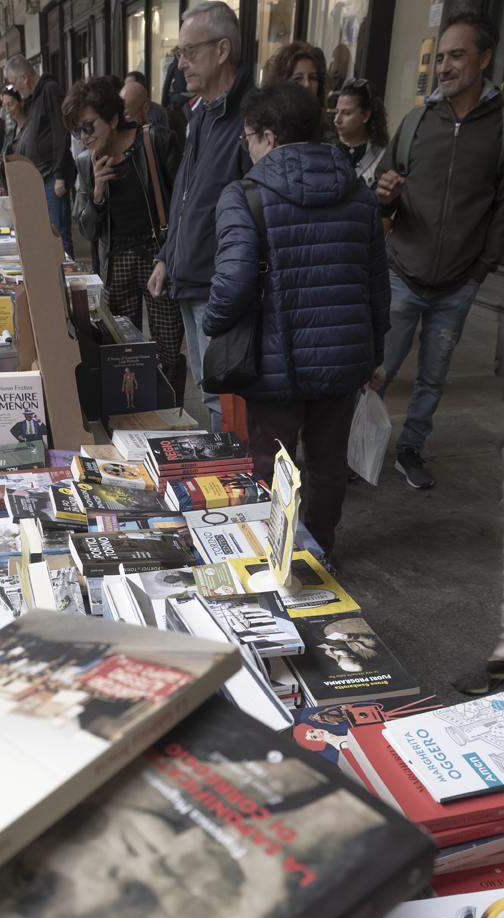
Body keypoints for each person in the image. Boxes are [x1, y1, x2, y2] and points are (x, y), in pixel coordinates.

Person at [202, 82, 390, 559]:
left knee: (270, 464)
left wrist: (214, 320)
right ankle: (321, 549)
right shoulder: (360, 194)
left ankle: (276, 557)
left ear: (269, 137)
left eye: (248, 137)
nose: (245, 147)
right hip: (344, 359)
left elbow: (235, 280)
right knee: (328, 467)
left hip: (274, 362)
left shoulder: (244, 195)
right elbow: (376, 284)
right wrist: (374, 354)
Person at [375, 11, 504, 490]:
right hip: (402, 274)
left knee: (433, 379)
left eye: (457, 56)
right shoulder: (417, 121)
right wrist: (385, 192)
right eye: (442, 56)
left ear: (484, 58)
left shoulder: (498, 128)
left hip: (457, 285)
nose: (444, 66)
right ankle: (353, 449)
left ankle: (410, 449)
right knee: (377, 372)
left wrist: (479, 274)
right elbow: (381, 192)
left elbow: (501, 210)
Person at [147, 0, 254, 432]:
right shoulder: (202, 112)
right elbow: (186, 198)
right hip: (191, 277)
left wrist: (231, 287)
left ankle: (238, 483)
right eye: (178, 53)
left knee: (228, 397)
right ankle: (225, 477)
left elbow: (256, 215)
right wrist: (166, 256)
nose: (180, 64)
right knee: (211, 387)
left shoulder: (250, 115)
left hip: (221, 285)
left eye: (189, 52)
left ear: (223, 49)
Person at [64, 76, 187, 402]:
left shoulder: (156, 141)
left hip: (156, 257)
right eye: (77, 131)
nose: (84, 137)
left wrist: (169, 255)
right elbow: (87, 229)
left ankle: (173, 414)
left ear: (114, 118)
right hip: (115, 261)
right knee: (123, 352)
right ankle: (134, 417)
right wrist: (98, 196)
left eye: (88, 126)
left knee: (169, 351)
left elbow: (184, 208)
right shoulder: (85, 164)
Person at [5, 53, 75, 256]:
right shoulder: (35, 98)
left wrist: (60, 174)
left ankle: (66, 282)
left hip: (54, 176)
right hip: (42, 176)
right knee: (48, 233)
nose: (15, 89)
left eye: (14, 83)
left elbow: (61, 132)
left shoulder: (50, 90)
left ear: (24, 77)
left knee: (59, 234)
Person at [334, 78, 389, 185]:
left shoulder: (380, 155)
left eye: (346, 113)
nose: (337, 120)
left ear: (365, 116)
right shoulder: (326, 147)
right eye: (336, 112)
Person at [0, 84, 29, 191]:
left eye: (10, 104)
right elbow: (3, 156)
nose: (7, 109)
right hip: (14, 185)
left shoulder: (31, 130)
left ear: (22, 102)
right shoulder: (11, 132)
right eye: (5, 105)